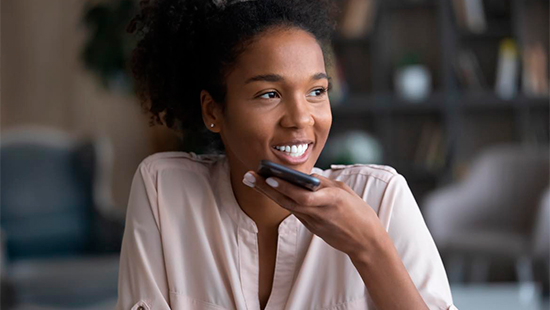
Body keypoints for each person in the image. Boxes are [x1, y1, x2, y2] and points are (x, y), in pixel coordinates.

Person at [117, 0, 457, 309]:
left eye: (317, 91)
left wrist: (369, 246)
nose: (300, 118)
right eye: (269, 94)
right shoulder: (164, 188)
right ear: (213, 111)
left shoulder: (380, 198)